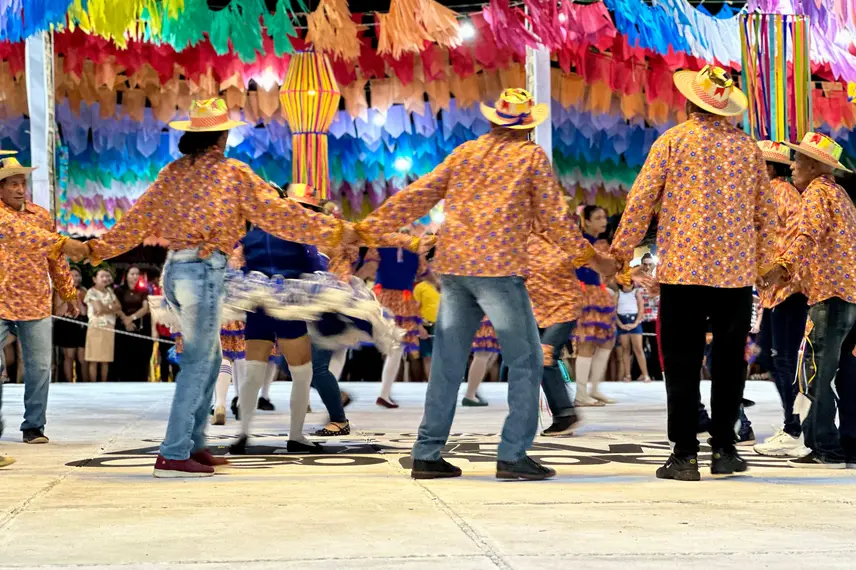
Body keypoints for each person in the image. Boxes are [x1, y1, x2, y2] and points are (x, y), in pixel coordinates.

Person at [355, 87, 616, 481]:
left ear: (493, 120)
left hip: (455, 269)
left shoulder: (465, 153)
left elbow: (418, 194)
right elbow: (554, 221)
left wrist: (365, 228)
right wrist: (593, 259)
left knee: (446, 363)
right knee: (527, 361)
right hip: (499, 271)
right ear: (528, 127)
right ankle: (513, 454)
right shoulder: (530, 156)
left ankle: (427, 453)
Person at [83, 98, 347, 478]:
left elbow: (137, 219)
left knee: (208, 361)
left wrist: (95, 250)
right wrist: (336, 230)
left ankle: (194, 444)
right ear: (222, 137)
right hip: (203, 271)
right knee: (198, 363)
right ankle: (174, 452)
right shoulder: (232, 173)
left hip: (176, 270)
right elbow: (282, 213)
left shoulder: (171, 173)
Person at [610, 65, 776, 481]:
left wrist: (620, 254)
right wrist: (765, 266)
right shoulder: (748, 149)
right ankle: (724, 449)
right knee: (728, 363)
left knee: (681, 363)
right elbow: (765, 216)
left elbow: (641, 199)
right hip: (735, 277)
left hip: (683, 272)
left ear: (689, 102)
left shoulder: (673, 141)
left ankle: (684, 455)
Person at [763, 132, 856, 469]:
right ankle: (849, 442)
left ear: (816, 165)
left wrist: (781, 267)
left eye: (799, 160)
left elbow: (807, 235)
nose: (792, 166)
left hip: (828, 295)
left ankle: (824, 446)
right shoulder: (841, 194)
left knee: (814, 372)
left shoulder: (816, 193)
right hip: (849, 295)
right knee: (846, 374)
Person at [0, 154, 78, 444]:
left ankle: (34, 426)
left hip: (35, 300)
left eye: (23, 183)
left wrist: (68, 292)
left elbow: (56, 258)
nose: (20, 189)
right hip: (0, 300)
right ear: (1, 187)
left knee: (40, 367)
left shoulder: (41, 216)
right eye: (13, 184)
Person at [751, 141, 812, 458]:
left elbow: (779, 242)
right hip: (777, 291)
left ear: (768, 168)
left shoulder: (777, 192)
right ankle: (794, 423)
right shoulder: (778, 193)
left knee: (786, 359)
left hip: (787, 288)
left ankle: (796, 427)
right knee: (771, 356)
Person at [574, 205, 618, 406]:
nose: (603, 221)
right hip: (585, 294)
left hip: (599, 293)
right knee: (587, 341)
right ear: (587, 221)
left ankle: (594, 388)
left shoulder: (600, 243)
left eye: (604, 217)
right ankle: (581, 393)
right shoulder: (580, 242)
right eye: (598, 217)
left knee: (607, 341)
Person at [114, 266, 152, 382]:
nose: (135, 276)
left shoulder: (143, 291)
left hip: (140, 325)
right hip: (123, 325)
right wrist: (126, 320)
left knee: (141, 356)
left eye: (137, 274)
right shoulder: (119, 290)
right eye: (132, 274)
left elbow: (145, 308)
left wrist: (131, 318)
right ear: (126, 275)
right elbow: (116, 307)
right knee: (124, 356)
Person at [84, 268, 121, 382]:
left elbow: (119, 307)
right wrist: (111, 307)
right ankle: (93, 384)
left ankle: (103, 384)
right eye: (102, 276)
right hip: (96, 326)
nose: (105, 279)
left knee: (106, 358)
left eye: (107, 276)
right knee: (94, 358)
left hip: (109, 327)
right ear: (95, 279)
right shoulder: (91, 292)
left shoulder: (110, 291)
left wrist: (107, 308)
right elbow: (98, 309)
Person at [615, 281, 651, 382]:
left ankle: (645, 374)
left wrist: (635, 323)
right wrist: (620, 324)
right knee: (625, 349)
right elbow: (613, 311)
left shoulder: (636, 293)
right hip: (622, 321)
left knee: (638, 349)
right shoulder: (618, 293)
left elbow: (641, 309)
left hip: (635, 321)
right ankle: (627, 375)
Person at [462, 318, 499, 406]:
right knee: (483, 354)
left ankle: (473, 388)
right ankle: (470, 394)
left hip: (488, 317)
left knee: (487, 355)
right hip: (486, 317)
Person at [413, 271, 440, 381]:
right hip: (426, 325)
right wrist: (420, 327)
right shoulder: (420, 287)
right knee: (428, 358)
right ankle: (431, 384)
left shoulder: (448, 286)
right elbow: (414, 309)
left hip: (444, 326)